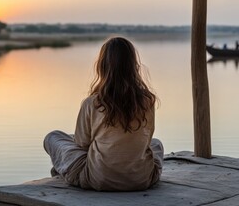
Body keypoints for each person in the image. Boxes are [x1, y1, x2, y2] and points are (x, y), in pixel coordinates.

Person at [44, 37, 164, 191]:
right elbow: (146, 140)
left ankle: (66, 173)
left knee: (53, 137)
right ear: (133, 66)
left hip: (98, 179)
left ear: (102, 66)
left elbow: (82, 143)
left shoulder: (92, 103)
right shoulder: (147, 101)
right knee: (156, 143)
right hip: (141, 179)